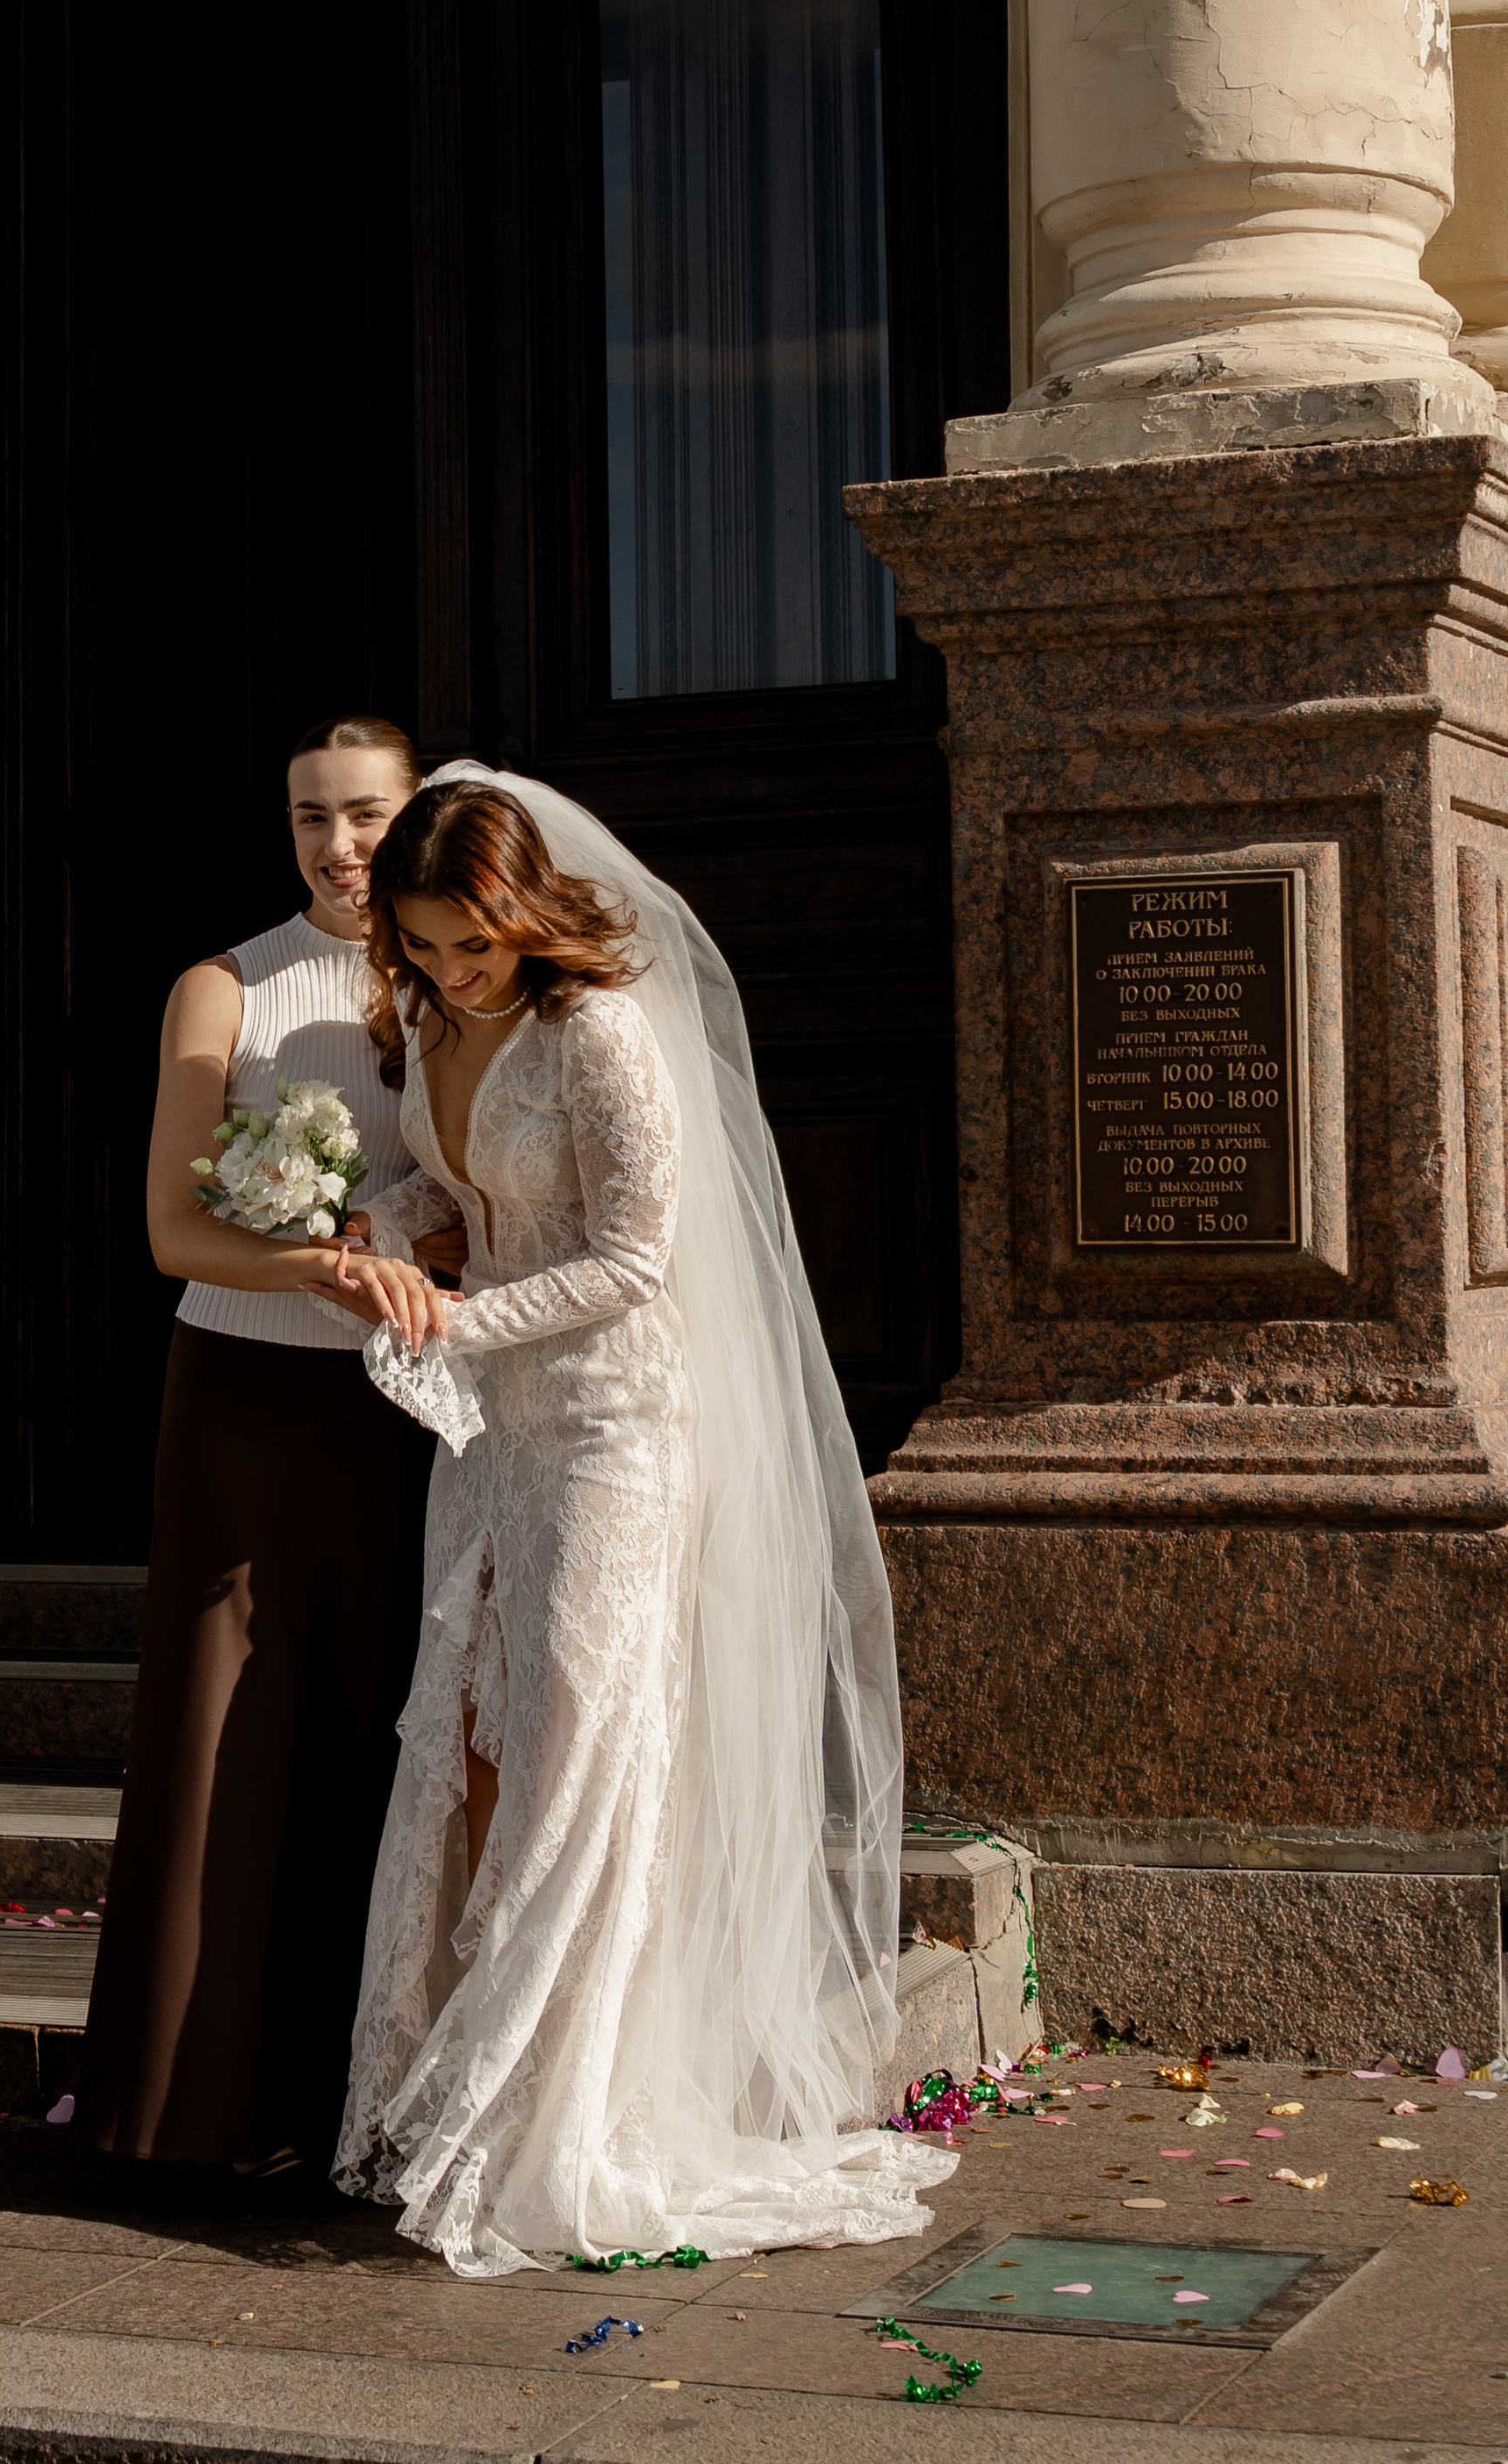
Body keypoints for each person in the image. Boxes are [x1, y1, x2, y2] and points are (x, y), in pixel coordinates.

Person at [330, 771, 946, 2275]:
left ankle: (567, 2113)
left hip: (614, 1427)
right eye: (424, 951)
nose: (453, 974)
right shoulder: (430, 1022)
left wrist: (460, 1321)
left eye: (472, 945)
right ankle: (478, 2082)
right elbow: (447, 1175)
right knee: (471, 1738)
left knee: (580, 1748)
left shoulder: (597, 1033)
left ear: (524, 908)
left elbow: (632, 1259)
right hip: (495, 1433)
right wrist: (382, 1226)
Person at [78, 716, 460, 2187]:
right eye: (311, 816)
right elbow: (176, 1232)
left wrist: (410, 1251)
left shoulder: (458, 983)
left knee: (383, 1723)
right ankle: (191, 2108)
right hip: (239, 1396)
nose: (337, 844)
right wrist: (324, 1261)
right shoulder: (221, 984)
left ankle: (363, 2104)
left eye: (366, 814)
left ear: (420, 814)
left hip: (404, 1407)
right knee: (219, 1729)